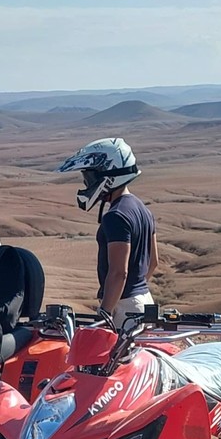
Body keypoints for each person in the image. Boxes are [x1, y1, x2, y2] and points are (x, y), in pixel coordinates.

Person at [57, 137, 158, 327]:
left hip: (124, 308)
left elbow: (119, 272)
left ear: (108, 175)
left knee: (114, 357)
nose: (88, 184)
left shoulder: (116, 216)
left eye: (90, 178)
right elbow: (153, 262)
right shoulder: (142, 209)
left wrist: (106, 311)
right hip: (143, 301)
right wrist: (136, 289)